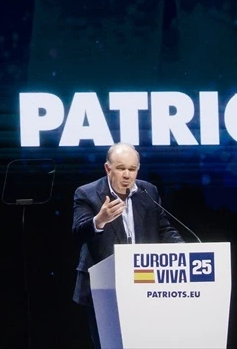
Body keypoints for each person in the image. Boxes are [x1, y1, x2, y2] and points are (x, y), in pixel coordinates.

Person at [70, 143, 184, 347]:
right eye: (121, 168)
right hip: (104, 286)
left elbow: (164, 229)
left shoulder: (148, 191)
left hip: (144, 282)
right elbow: (78, 233)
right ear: (108, 168)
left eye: (132, 169)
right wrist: (99, 220)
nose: (127, 175)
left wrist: (185, 251)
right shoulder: (87, 193)